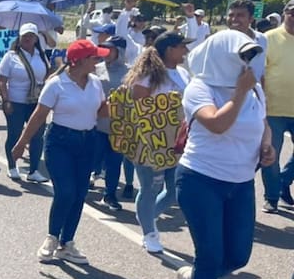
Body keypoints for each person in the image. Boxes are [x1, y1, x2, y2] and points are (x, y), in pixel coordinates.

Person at [175, 30, 274, 279]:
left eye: (250, 57)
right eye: (241, 56)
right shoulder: (199, 87)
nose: (247, 64)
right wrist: (241, 93)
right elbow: (217, 124)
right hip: (200, 180)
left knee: (238, 255)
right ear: (220, 55)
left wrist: (266, 145)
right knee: (211, 252)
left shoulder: (253, 89)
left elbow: (263, 121)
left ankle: (197, 278)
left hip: (241, 181)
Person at [13, 39, 110, 265]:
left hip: (88, 142)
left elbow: (102, 112)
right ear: (80, 61)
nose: (98, 61)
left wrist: (122, 103)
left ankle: (67, 243)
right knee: (65, 192)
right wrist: (21, 143)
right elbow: (38, 116)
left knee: (78, 194)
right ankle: (52, 237)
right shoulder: (56, 84)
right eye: (94, 58)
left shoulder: (95, 83)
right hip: (60, 142)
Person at [123, 32, 192, 253]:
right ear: (170, 49)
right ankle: (149, 233)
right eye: (182, 46)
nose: (186, 51)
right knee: (151, 188)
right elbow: (138, 108)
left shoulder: (182, 73)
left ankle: (146, 217)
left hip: (177, 143)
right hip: (150, 142)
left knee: (175, 191)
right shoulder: (147, 76)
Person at [0, 22, 49, 182]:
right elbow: (2, 80)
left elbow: (46, 76)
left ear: (36, 38)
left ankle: (33, 171)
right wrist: (6, 100)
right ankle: (12, 166)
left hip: (35, 101)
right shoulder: (11, 56)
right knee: (14, 134)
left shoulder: (41, 56)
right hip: (16, 101)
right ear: (19, 38)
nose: (27, 39)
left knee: (37, 135)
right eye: (24, 36)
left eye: (30, 36)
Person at [260, 0, 294, 214]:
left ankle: (283, 181)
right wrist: (260, 102)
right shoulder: (268, 38)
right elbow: (259, 73)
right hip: (273, 109)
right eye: (292, 12)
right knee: (271, 154)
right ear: (284, 13)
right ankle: (271, 196)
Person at [93, 36, 133, 210]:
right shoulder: (96, 68)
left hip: (119, 128)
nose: (107, 52)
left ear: (120, 51)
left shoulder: (131, 73)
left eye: (111, 49)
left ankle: (109, 194)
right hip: (96, 124)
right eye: (104, 48)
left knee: (114, 162)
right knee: (92, 157)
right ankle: (86, 183)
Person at [225, 0, 267, 79]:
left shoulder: (262, 39)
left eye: (240, 15)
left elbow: (261, 71)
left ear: (251, 19)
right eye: (231, 15)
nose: (234, 19)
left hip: (253, 89)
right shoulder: (219, 41)